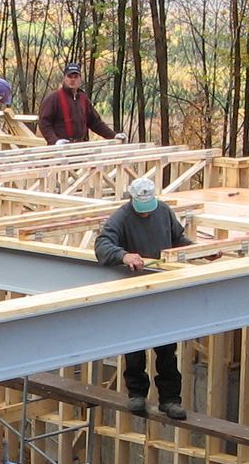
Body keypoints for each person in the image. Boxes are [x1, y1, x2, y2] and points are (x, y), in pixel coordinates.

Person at [94, 176, 192, 420]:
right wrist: (124, 255)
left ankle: (170, 400)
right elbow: (102, 245)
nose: (147, 215)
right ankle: (136, 394)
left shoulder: (163, 211)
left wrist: (198, 250)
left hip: (162, 290)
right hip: (135, 290)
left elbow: (178, 239)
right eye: (143, 210)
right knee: (135, 347)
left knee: (167, 349)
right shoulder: (123, 216)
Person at [37, 62, 116, 145]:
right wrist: (55, 141)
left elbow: (95, 122)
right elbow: (44, 122)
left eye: (76, 77)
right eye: (69, 76)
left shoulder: (83, 99)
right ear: (64, 78)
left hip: (80, 146)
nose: (72, 80)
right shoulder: (53, 98)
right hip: (60, 148)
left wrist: (113, 135)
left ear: (80, 79)